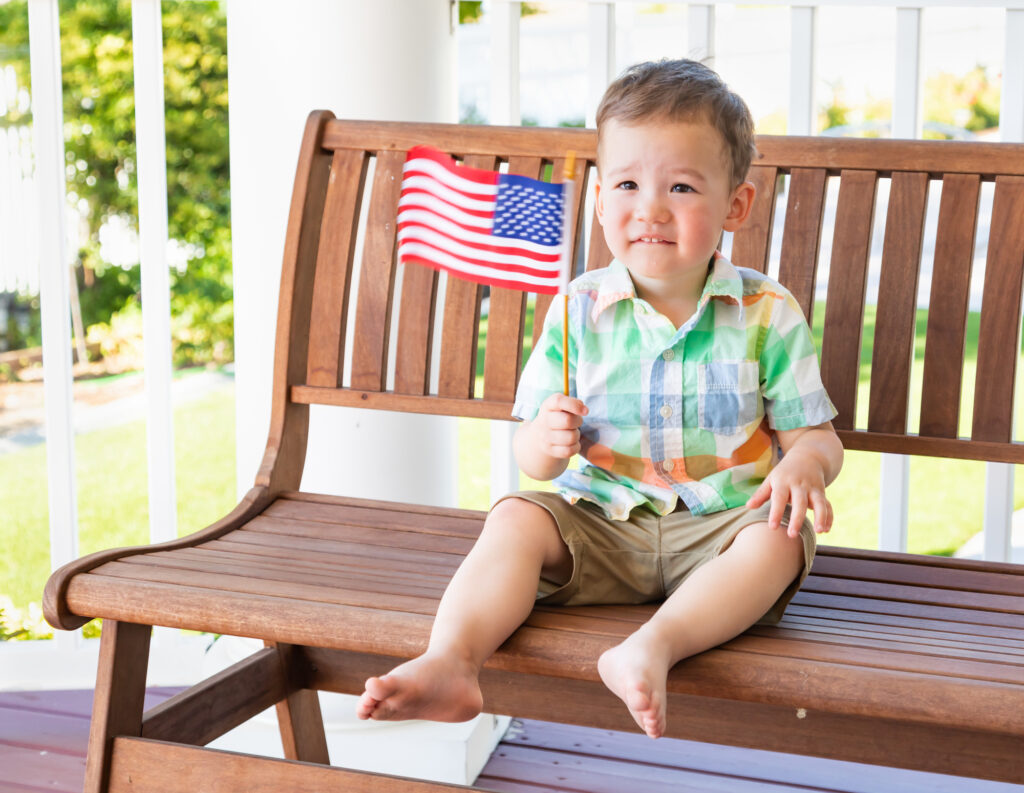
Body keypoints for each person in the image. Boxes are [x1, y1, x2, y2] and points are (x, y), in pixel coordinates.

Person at [357, 58, 844, 740]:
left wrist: (804, 466)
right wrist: (546, 443)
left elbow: (816, 436)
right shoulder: (577, 308)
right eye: (626, 183)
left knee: (780, 542)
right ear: (599, 203)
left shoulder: (767, 311)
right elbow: (532, 457)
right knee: (516, 518)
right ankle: (452, 660)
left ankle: (654, 645)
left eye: (680, 185)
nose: (649, 207)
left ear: (736, 205)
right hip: (601, 523)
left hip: (720, 532)